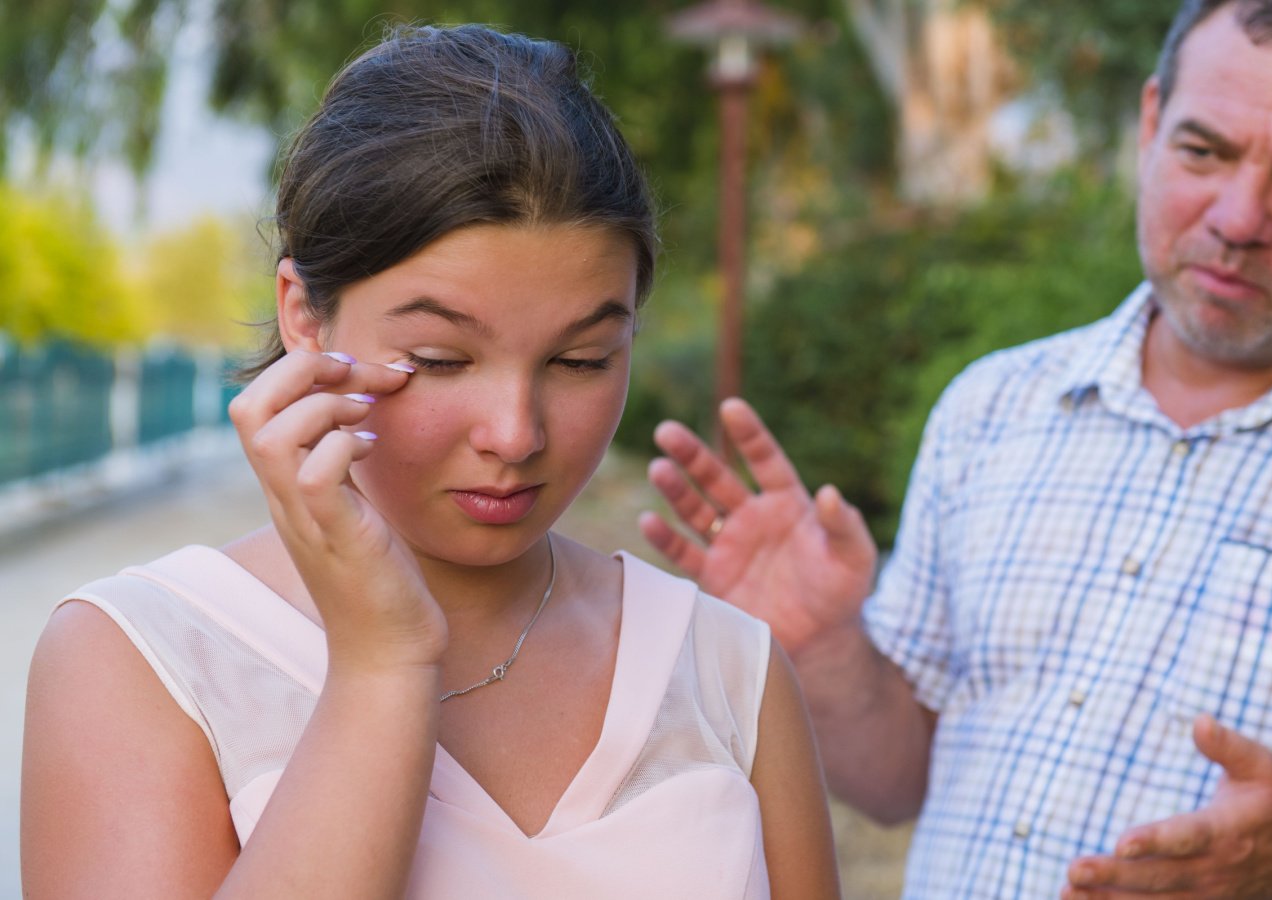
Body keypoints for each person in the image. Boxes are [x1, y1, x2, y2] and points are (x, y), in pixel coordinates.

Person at [638, 1, 1272, 897]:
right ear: (1151, 124)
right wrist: (825, 648)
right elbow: (899, 783)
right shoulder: (994, 408)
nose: (1237, 219)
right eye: (1205, 149)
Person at [21, 24, 839, 900]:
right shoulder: (142, 661)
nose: (515, 433)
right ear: (304, 316)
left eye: (581, 361)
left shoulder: (726, 668)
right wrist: (383, 667)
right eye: (442, 359)